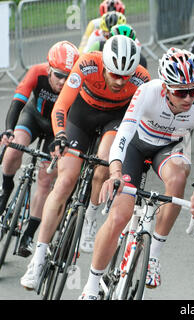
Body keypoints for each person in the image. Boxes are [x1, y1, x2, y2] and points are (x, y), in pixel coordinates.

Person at [79, 48, 194, 300]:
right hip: (136, 144)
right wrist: (115, 173)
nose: (188, 98)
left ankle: (154, 254)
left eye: (193, 90)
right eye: (180, 91)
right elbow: (123, 132)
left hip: (169, 148)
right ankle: (91, 286)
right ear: (165, 87)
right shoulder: (148, 91)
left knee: (179, 176)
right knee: (119, 215)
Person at [19, 35, 150, 291]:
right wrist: (59, 136)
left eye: (126, 76)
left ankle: (90, 216)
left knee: (104, 162)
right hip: (81, 116)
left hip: (114, 119)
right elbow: (62, 105)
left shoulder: (142, 77)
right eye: (114, 74)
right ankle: (39, 257)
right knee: (65, 180)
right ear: (105, 65)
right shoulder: (88, 64)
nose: (120, 81)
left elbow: (145, 118)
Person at [0, 41, 79, 258]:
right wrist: (8, 130)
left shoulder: (76, 85)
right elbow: (17, 102)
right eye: (59, 75)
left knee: (46, 179)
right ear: (49, 69)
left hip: (57, 130)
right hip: (33, 118)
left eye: (68, 76)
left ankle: (28, 234)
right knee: (13, 151)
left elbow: (75, 121)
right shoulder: (36, 72)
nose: (63, 82)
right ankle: (5, 190)